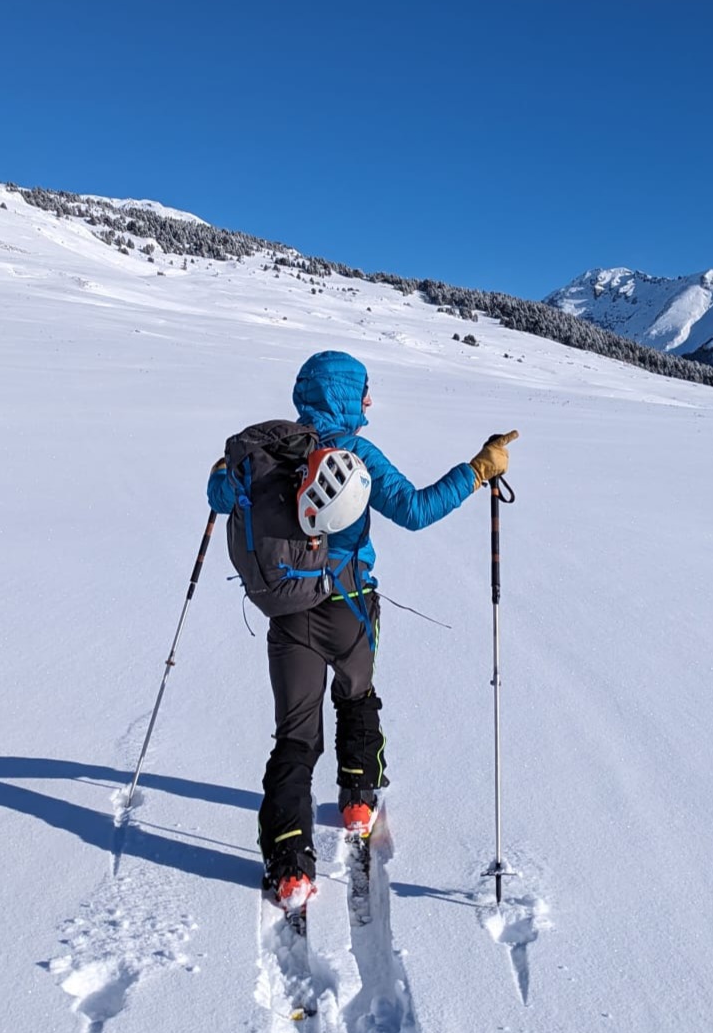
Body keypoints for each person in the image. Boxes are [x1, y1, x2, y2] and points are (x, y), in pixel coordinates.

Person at [207, 350, 517, 910]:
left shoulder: (263, 452)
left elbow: (219, 498)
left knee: (295, 737)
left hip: (287, 612)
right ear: (346, 397)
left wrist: (221, 475)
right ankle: (357, 799)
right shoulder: (358, 453)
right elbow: (418, 510)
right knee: (357, 698)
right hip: (350, 607)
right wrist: (478, 469)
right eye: (364, 391)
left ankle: (289, 865)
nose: (370, 401)